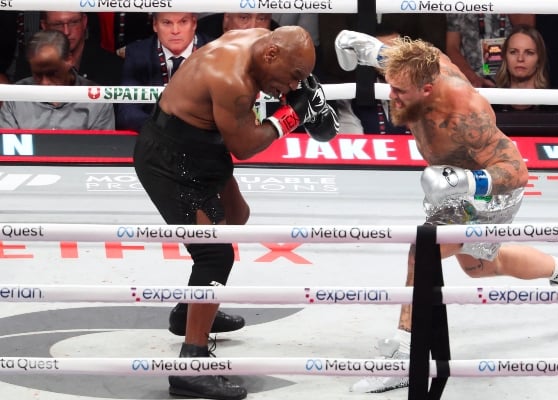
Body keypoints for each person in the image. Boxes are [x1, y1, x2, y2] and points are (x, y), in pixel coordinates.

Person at [334, 30, 558, 393]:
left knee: (423, 251)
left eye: (399, 92)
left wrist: (463, 182)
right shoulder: (411, 70)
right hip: (457, 182)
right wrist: (357, 43)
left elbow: (517, 171)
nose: (391, 96)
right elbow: (386, 52)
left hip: (488, 190)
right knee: (481, 266)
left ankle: (406, 358)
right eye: (390, 86)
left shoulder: (466, 112)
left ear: (427, 90)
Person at [132, 25, 338, 399]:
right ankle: (189, 367)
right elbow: (245, 145)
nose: (290, 88)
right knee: (215, 253)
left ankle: (189, 312)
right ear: (272, 56)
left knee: (236, 216)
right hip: (170, 158)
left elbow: (294, 73)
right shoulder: (232, 79)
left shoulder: (264, 43)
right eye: (291, 78)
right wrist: (292, 116)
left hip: (204, 147)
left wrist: (307, 91)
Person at [0, 30, 114, 129]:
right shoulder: (14, 98)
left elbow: (102, 151)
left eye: (52, 73)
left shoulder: (97, 100)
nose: (44, 83)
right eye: (38, 74)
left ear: (69, 60)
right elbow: (7, 150)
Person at [116, 12, 211, 132]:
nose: (175, 31)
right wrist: (164, 129)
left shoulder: (216, 52)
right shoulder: (138, 53)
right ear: (155, 25)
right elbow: (127, 113)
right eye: (167, 23)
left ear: (194, 23)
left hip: (202, 140)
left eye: (183, 22)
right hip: (153, 140)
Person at [14, 12, 123, 85]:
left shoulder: (112, 66)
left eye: (73, 22)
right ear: (44, 26)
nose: (66, 32)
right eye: (57, 24)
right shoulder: (29, 64)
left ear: (84, 22)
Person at [445, 13, 534, 88]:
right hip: (472, 82)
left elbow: (528, 32)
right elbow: (452, 47)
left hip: (514, 81)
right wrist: (472, 78)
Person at [493, 25, 549, 111]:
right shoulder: (490, 101)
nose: (520, 59)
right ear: (505, 57)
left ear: (539, 60)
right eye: (513, 52)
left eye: (529, 53)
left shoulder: (554, 102)